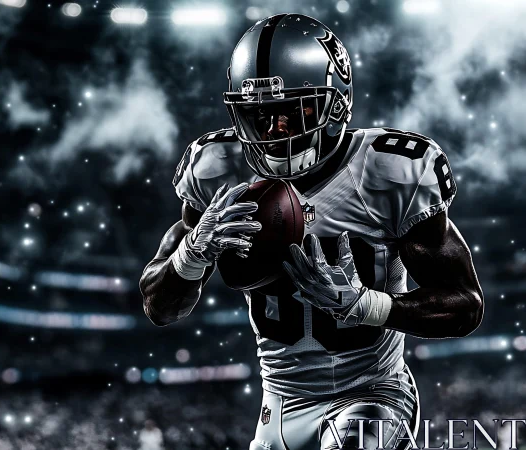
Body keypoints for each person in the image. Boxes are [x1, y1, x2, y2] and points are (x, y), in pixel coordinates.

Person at [139, 13, 484, 450]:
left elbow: (465, 306)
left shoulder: (388, 170)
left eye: (290, 111)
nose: (273, 131)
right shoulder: (217, 170)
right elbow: (159, 307)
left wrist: (366, 305)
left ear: (336, 102)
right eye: (258, 115)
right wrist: (191, 254)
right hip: (278, 407)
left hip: (371, 394)